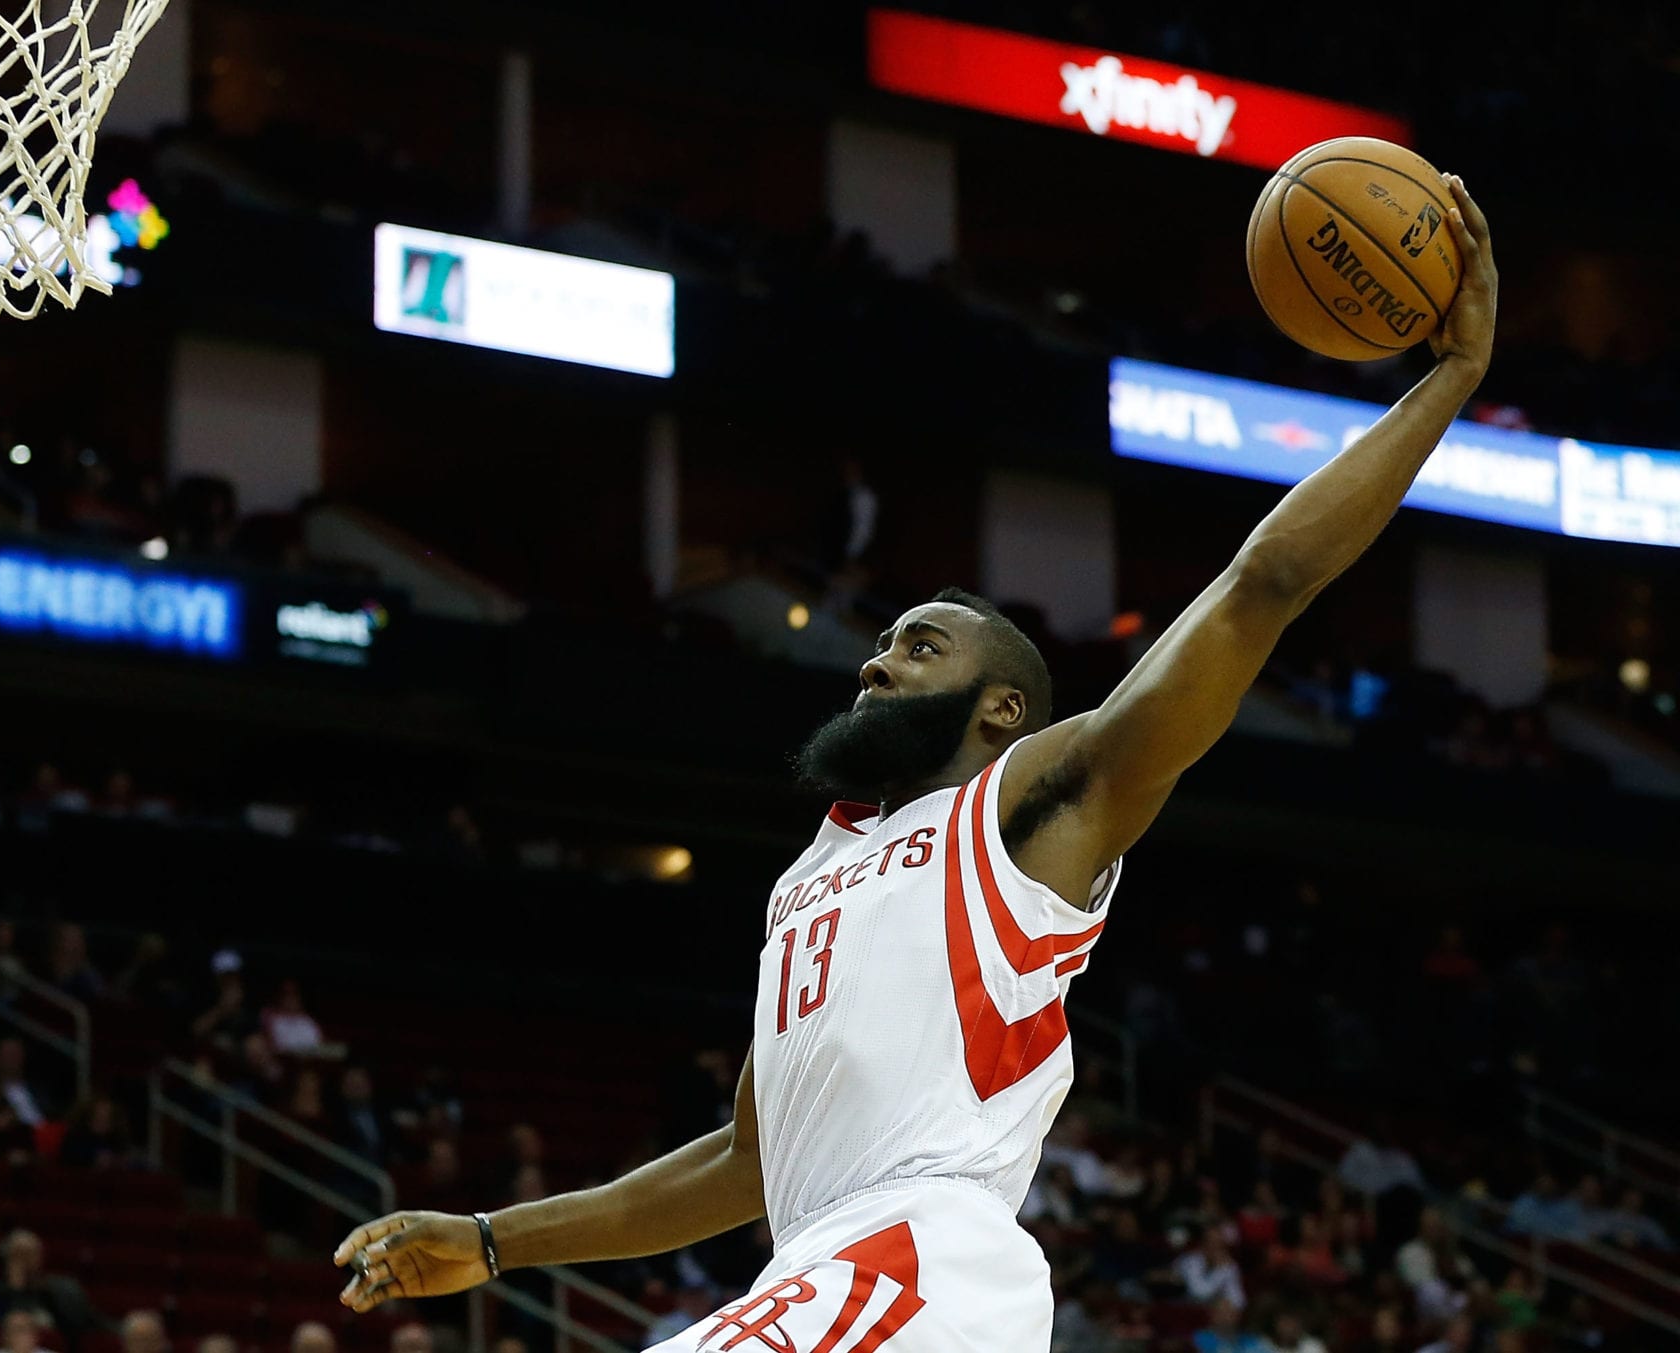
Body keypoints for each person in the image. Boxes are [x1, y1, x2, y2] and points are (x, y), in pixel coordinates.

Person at [330, 178, 1500, 1353]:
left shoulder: (1030, 813)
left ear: (1002, 709)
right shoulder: (809, 876)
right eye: (882, 642)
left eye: (918, 645)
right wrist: (491, 1240)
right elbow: (747, 1160)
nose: (876, 664)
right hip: (818, 1273)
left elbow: (1262, 587)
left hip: (922, 1261)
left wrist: (1444, 384)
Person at [0, 1230, 103, 1341]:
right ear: (7, 1258)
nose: (25, 1260)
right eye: (19, 1254)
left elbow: (84, 1323)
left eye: (30, 1253)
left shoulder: (62, 1287)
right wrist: (16, 1288)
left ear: (40, 1256)